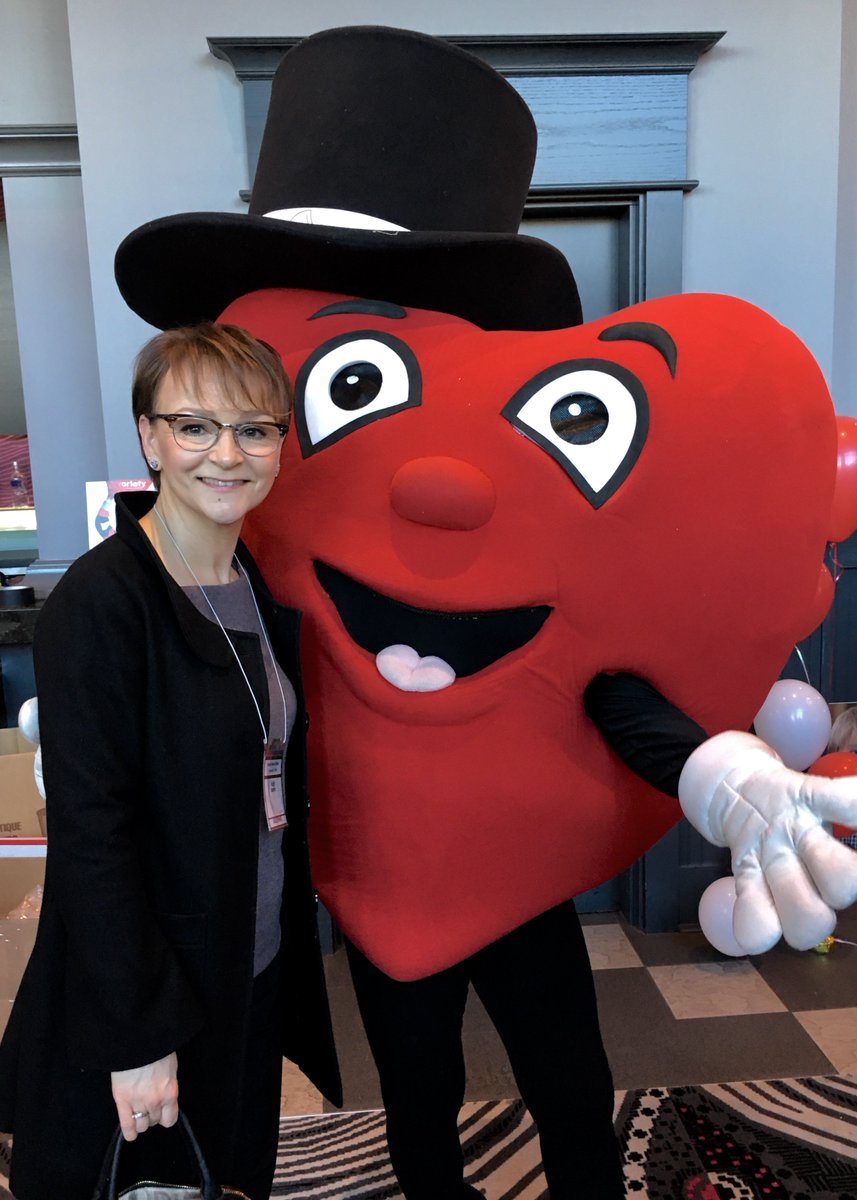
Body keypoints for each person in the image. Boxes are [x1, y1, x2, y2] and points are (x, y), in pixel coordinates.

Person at [0, 323, 341, 1200]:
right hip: (155, 983)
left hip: (247, 958)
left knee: (230, 1178)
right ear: (149, 439)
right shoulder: (101, 603)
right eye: (193, 426)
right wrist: (138, 1037)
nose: (225, 453)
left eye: (254, 429)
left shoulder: (251, 583)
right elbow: (91, 838)